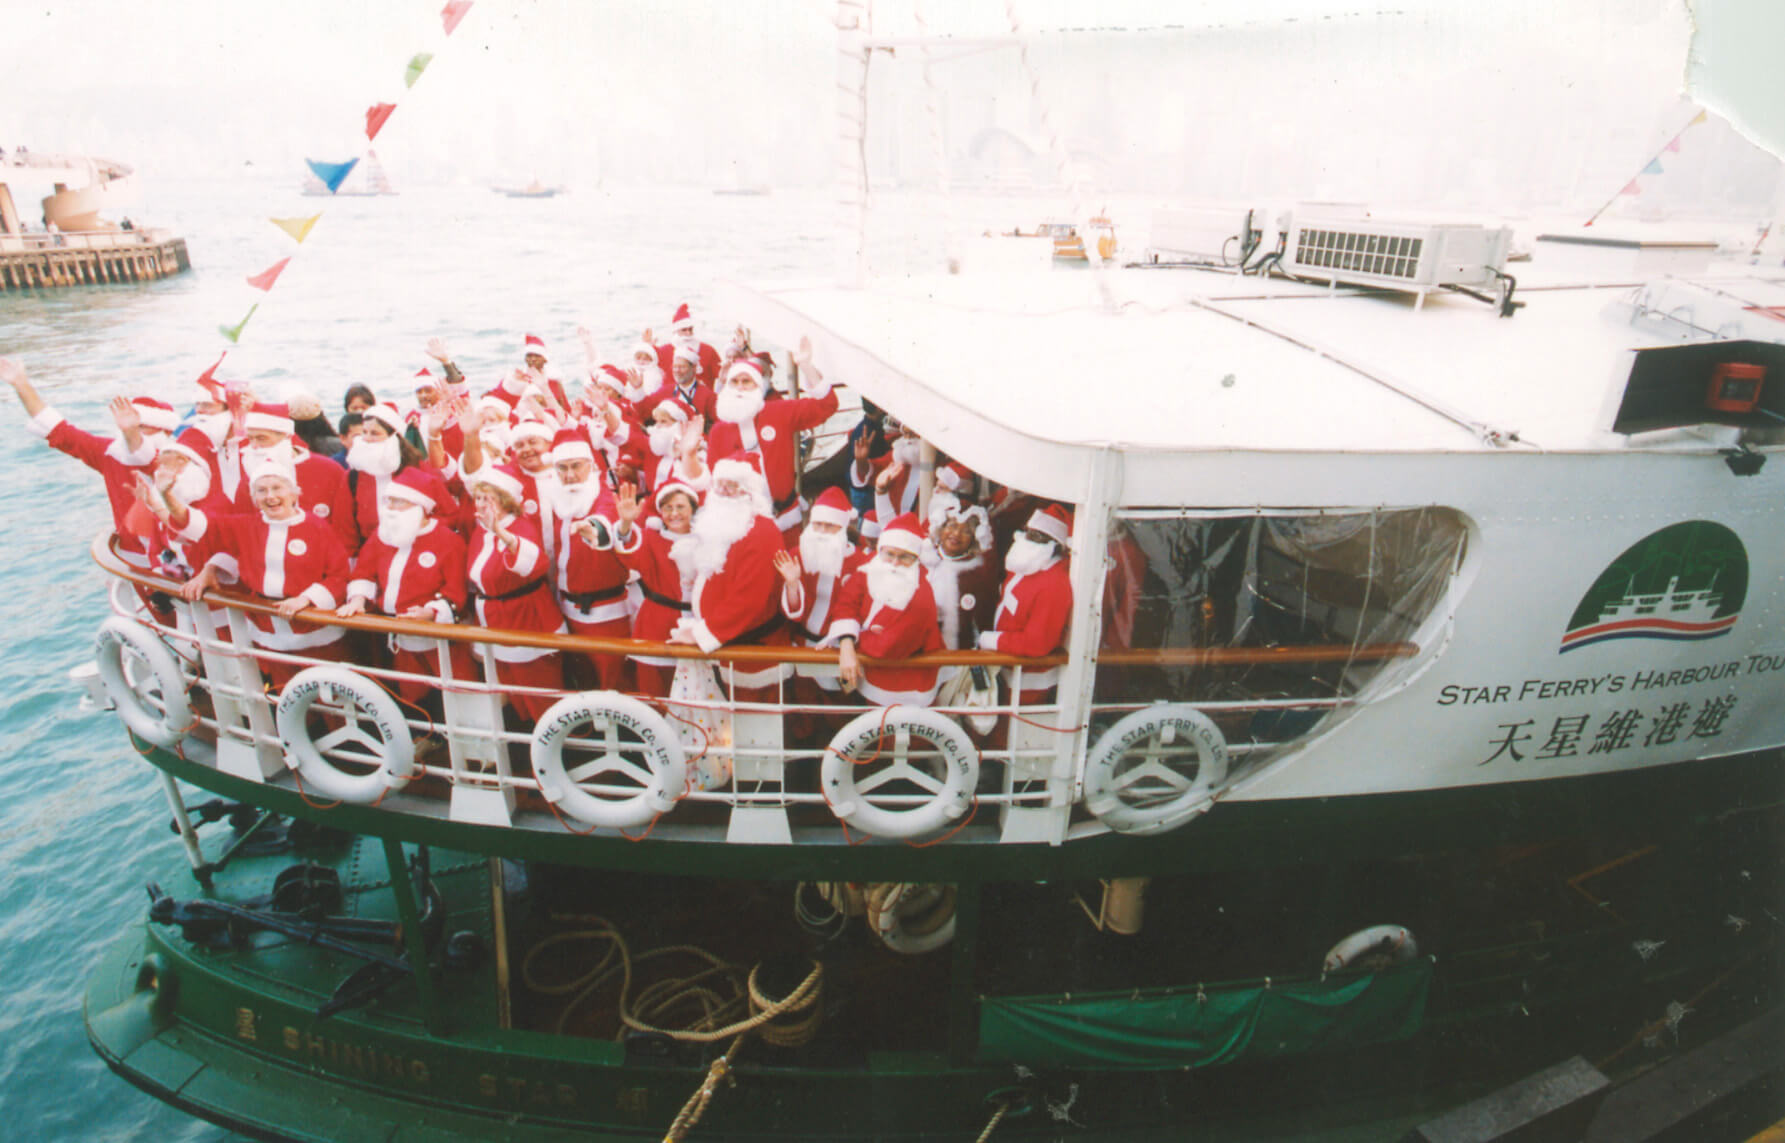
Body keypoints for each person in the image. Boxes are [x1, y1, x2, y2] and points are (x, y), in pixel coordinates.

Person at [159, 454, 351, 689]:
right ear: (254, 497)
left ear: (294, 493)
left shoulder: (317, 528)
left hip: (314, 628)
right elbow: (198, 524)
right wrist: (167, 497)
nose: (270, 496)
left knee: (331, 695)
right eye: (261, 490)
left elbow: (339, 575)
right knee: (284, 695)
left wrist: (306, 599)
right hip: (267, 630)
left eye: (277, 488)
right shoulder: (246, 526)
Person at [2, 357, 174, 576]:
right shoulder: (112, 454)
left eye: (143, 427)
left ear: (166, 431)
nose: (133, 431)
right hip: (136, 558)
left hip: (182, 556)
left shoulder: (181, 458)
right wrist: (21, 384)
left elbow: (145, 456)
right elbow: (59, 431)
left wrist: (132, 434)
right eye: (131, 425)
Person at [337, 467, 471, 706]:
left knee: (456, 693)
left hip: (437, 636)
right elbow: (364, 572)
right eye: (388, 501)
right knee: (411, 692)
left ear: (420, 507)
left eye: (398, 502)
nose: (389, 509)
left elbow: (455, 591)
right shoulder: (382, 536)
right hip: (397, 633)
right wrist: (358, 599)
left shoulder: (449, 541)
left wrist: (431, 612)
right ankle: (425, 738)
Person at [666, 451, 789, 702]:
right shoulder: (720, 523)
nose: (721, 492)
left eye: (731, 486)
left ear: (749, 493)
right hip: (724, 645)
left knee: (751, 729)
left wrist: (702, 633)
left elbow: (750, 598)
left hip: (751, 654)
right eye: (719, 484)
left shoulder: (762, 532)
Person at [705, 340, 838, 536]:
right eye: (735, 382)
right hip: (741, 524)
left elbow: (827, 405)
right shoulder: (718, 432)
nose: (740, 387)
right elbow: (713, 482)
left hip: (786, 519)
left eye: (746, 381)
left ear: (758, 386)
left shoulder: (779, 412)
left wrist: (806, 366)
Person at [465, 467, 566, 723]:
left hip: (526, 619)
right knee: (512, 691)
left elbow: (535, 563)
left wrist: (502, 533)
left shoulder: (519, 527)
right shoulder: (480, 531)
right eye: (477, 498)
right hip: (494, 620)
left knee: (539, 693)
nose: (481, 504)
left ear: (505, 499)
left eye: (488, 498)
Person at [825, 513, 945, 706]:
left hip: (907, 683)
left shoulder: (921, 594)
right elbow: (846, 603)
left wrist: (855, 637)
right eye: (889, 554)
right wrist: (846, 643)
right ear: (881, 550)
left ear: (916, 558)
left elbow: (887, 646)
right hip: (874, 673)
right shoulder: (872, 567)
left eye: (904, 557)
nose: (895, 563)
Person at [545, 428, 631, 690]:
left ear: (591, 466)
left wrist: (594, 530)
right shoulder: (554, 501)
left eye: (576, 466)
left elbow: (606, 521)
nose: (570, 475)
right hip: (566, 607)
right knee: (583, 678)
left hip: (605, 612)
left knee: (613, 680)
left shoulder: (603, 497)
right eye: (562, 468)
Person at [773, 486, 872, 705]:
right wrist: (791, 584)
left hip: (838, 652)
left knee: (837, 712)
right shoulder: (797, 555)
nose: (821, 532)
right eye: (817, 525)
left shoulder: (860, 564)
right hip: (800, 647)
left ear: (842, 528)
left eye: (829, 526)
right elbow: (790, 613)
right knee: (802, 710)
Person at [222, 401, 357, 553]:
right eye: (250, 439)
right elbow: (243, 528)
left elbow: (345, 528)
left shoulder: (329, 470)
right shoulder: (251, 478)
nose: (254, 447)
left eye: (261, 439)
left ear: (286, 436)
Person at [978, 504, 1074, 706]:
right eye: (1029, 532)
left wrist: (991, 641)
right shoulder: (1026, 563)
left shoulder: (1054, 584)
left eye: (1038, 537)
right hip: (1004, 665)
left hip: (1026, 680)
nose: (1027, 539)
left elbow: (1037, 643)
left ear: (1055, 545)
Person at [612, 478, 700, 697]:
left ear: (693, 509)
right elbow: (630, 555)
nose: (674, 513)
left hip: (697, 623)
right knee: (654, 687)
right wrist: (625, 523)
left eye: (681, 506)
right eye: (667, 508)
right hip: (657, 622)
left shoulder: (707, 541)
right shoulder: (652, 538)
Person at [344, 403, 455, 550]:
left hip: (417, 549)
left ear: (393, 436)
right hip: (371, 552)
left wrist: (420, 529)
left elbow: (450, 514)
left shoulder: (418, 469)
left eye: (375, 433)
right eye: (364, 432)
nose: (367, 439)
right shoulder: (354, 476)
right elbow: (344, 526)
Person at [924, 491, 1001, 651]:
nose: (956, 534)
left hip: (957, 657)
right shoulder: (922, 561)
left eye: (966, 531)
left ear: (974, 538)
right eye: (952, 526)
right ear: (941, 528)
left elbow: (983, 625)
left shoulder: (978, 576)